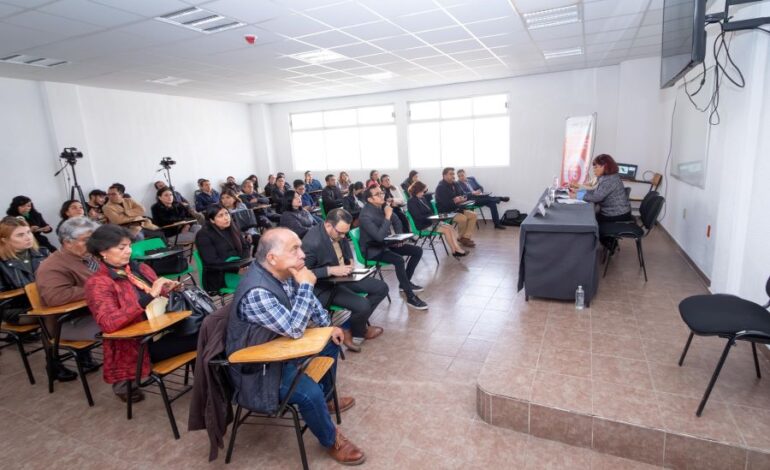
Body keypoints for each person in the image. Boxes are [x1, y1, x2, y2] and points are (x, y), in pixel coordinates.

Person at [225, 228, 365, 465]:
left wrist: (326, 327)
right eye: (295, 249)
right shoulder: (258, 290)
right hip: (259, 368)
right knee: (308, 393)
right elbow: (295, 328)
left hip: (280, 348)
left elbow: (315, 312)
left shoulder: (285, 273)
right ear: (272, 258)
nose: (303, 255)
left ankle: (326, 399)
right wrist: (306, 286)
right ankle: (331, 440)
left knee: (330, 340)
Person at [84, 224, 198, 403]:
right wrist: (150, 296)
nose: (128, 251)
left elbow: (158, 299)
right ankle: (211, 385)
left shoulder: (140, 269)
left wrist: (169, 289)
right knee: (204, 335)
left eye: (129, 246)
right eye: (122, 248)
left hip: (164, 329)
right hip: (138, 344)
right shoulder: (99, 283)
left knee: (205, 328)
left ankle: (208, 383)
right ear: (102, 252)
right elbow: (108, 323)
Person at [302, 209, 387, 352]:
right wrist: (331, 270)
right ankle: (358, 331)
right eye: (340, 233)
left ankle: (350, 329)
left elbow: (344, 245)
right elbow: (303, 273)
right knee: (362, 305)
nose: (343, 236)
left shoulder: (337, 232)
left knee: (381, 288)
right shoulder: (311, 243)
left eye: (345, 233)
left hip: (342, 276)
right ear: (328, 225)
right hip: (325, 285)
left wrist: (351, 261)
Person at [37, 217, 103, 378]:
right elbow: (56, 297)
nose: (93, 243)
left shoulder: (89, 257)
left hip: (91, 313)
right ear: (67, 242)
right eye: (87, 240)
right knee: (126, 327)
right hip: (67, 323)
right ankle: (125, 380)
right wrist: (100, 288)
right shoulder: (52, 266)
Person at [359, 186, 427, 310]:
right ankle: (410, 297)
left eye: (381, 193)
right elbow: (379, 237)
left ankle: (404, 283)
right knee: (399, 260)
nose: (382, 195)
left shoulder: (382, 205)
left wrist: (398, 237)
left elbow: (396, 221)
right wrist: (387, 216)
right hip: (373, 249)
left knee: (417, 251)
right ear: (370, 199)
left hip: (386, 244)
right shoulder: (365, 216)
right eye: (378, 194)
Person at [0, 216, 50, 325]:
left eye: (28, 232)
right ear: (5, 240)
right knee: (52, 314)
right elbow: (3, 298)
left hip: (48, 300)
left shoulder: (43, 252)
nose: (28, 237)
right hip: (17, 309)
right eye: (20, 235)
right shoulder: (1, 263)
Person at [195, 205, 251, 293]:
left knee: (267, 274)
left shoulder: (232, 227)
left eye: (226, 213)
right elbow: (212, 262)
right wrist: (237, 269)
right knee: (255, 281)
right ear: (212, 220)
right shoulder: (203, 235)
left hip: (238, 267)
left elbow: (245, 247)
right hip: (219, 275)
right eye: (220, 216)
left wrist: (244, 264)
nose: (226, 218)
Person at [407, 181, 467, 258]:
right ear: (417, 190)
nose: (423, 193)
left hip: (431, 221)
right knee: (447, 230)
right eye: (422, 191)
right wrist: (432, 217)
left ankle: (456, 250)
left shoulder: (422, 198)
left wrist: (436, 217)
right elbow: (418, 217)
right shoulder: (411, 201)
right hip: (423, 225)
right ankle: (455, 250)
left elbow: (429, 212)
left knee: (450, 227)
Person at [570, 154, 633, 223]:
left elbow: (596, 197)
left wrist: (577, 195)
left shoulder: (610, 180)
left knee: (587, 219)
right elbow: (596, 191)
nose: (594, 170)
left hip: (618, 214)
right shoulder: (607, 177)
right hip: (616, 212)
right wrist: (579, 192)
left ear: (604, 166)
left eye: (595, 167)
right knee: (589, 215)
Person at [434, 167, 477, 248]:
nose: (453, 176)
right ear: (444, 175)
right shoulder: (440, 187)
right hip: (446, 212)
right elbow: (445, 204)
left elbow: (463, 193)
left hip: (456, 209)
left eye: (453, 174)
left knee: (473, 215)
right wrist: (455, 201)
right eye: (451, 174)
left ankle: (465, 238)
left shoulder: (455, 184)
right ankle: (460, 238)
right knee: (463, 218)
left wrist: (462, 198)